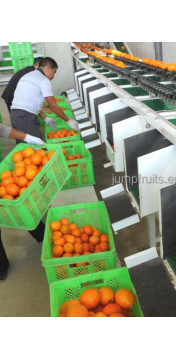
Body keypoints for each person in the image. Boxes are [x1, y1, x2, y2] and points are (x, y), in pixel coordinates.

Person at [0, 122, 44, 282]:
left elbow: (3, 130)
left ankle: (42, 235)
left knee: (19, 203)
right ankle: (1, 267)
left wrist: (27, 137)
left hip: (4, 177)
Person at [10, 57, 79, 141]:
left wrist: (46, 118)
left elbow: (31, 102)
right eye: (54, 72)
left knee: (26, 144)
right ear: (48, 68)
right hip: (25, 116)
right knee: (36, 145)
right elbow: (53, 106)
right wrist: (69, 121)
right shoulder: (43, 80)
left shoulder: (29, 75)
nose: (53, 76)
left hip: (15, 115)